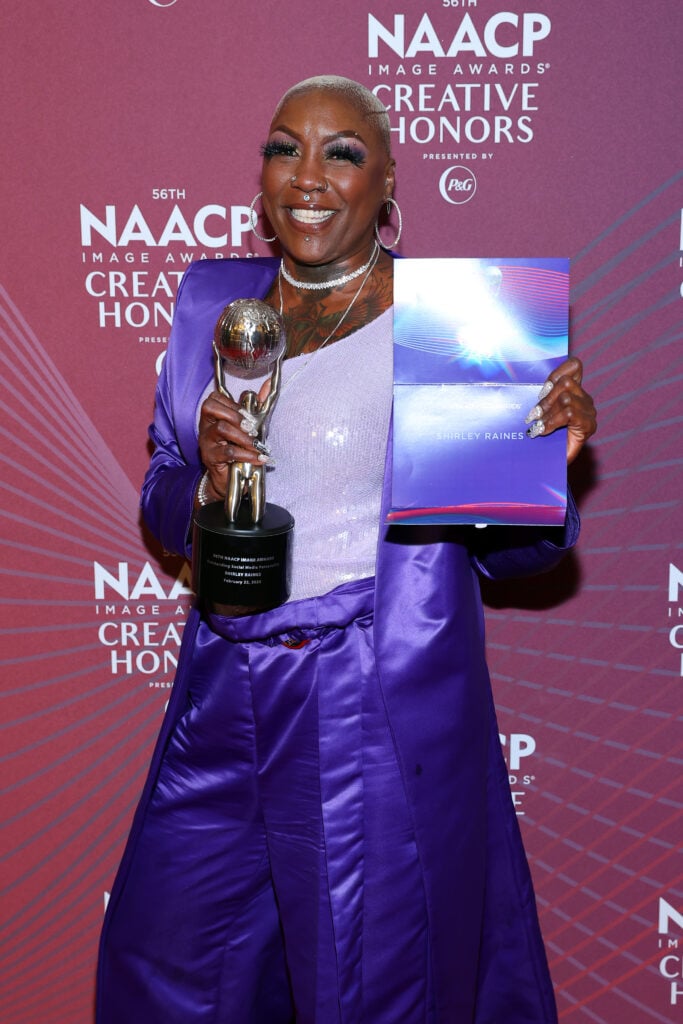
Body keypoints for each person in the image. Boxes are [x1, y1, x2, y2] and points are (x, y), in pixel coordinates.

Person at [96, 76, 597, 1023]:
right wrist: (200, 475)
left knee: (366, 979)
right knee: (170, 958)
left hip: (369, 691)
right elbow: (163, 507)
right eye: (284, 148)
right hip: (225, 681)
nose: (307, 176)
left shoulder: (455, 320)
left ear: (387, 179)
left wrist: (546, 468)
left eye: (342, 152)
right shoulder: (212, 298)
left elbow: (512, 559)